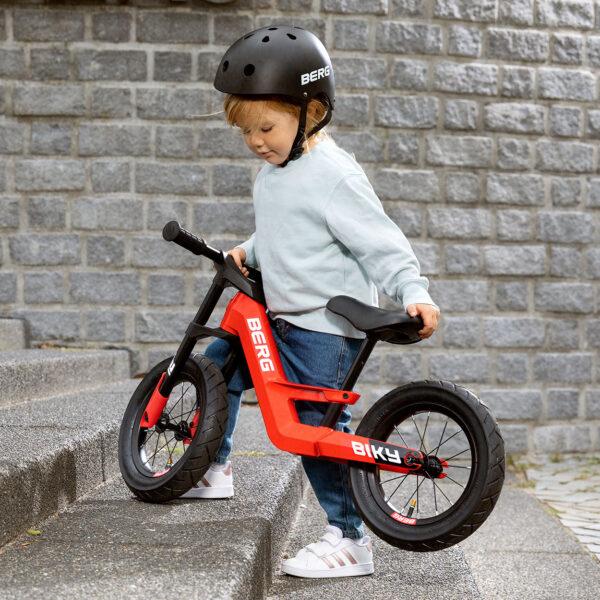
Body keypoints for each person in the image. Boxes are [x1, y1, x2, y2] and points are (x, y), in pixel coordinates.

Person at [182, 26, 441, 578]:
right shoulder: (275, 172)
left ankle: (350, 539)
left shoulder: (334, 175)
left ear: (313, 111)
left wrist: (412, 290)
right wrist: (250, 250)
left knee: (316, 431)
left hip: (324, 329)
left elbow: (380, 240)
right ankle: (214, 463)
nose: (256, 141)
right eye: (246, 131)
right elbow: (287, 231)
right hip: (283, 318)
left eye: (267, 127)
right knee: (221, 363)